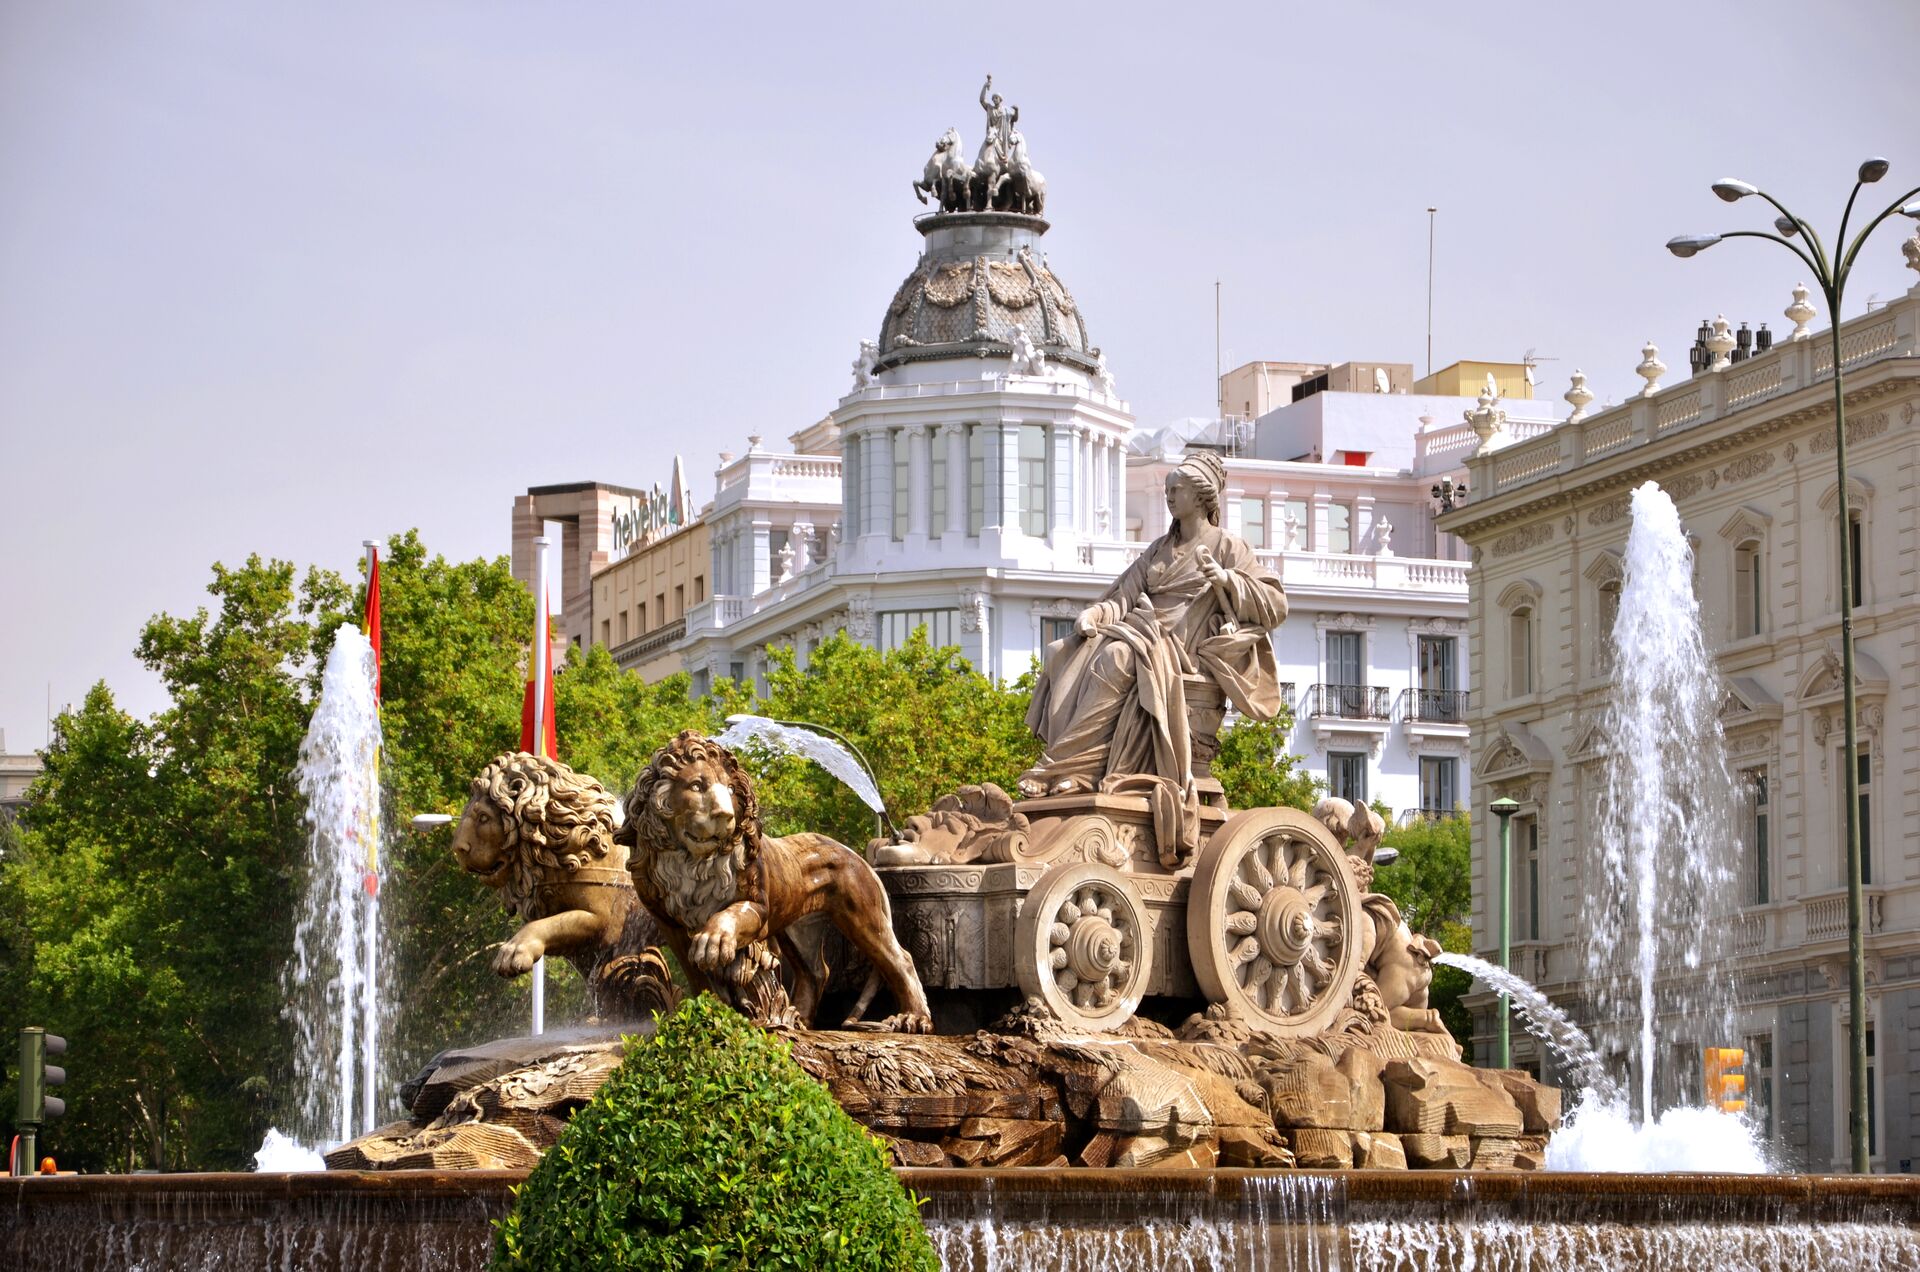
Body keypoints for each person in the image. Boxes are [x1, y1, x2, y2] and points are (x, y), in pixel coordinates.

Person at [1020, 451, 1288, 858]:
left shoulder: (1228, 546)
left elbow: (1275, 603)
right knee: (1070, 651)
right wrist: (1096, 613)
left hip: (1185, 650)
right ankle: (1078, 770)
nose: (1168, 497)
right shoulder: (1158, 549)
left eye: (1175, 490)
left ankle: (1063, 766)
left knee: (1118, 658)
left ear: (1200, 497)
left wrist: (1228, 579)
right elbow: (1124, 596)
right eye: (1167, 490)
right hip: (1144, 632)